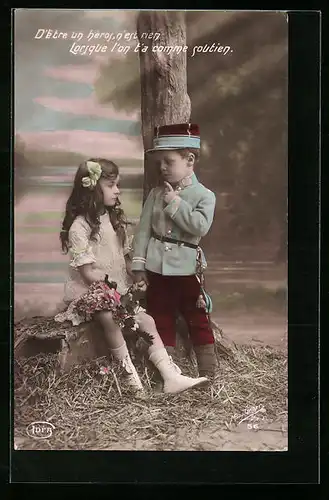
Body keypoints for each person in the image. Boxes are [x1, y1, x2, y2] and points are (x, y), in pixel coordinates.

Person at [54, 158, 208, 394]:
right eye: (111, 185)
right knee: (108, 314)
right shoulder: (79, 228)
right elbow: (88, 274)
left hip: (117, 292)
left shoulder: (113, 221)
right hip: (91, 293)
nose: (118, 191)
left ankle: (170, 376)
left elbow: (124, 259)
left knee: (147, 321)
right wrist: (116, 291)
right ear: (93, 190)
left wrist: (135, 279)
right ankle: (128, 377)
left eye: (118, 185)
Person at [131, 123, 218, 378]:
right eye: (160, 163)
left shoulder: (204, 196)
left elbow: (200, 226)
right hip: (157, 269)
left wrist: (175, 204)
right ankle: (167, 375)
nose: (162, 168)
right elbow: (144, 232)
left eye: (168, 161)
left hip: (188, 269)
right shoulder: (156, 194)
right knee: (160, 319)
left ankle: (208, 374)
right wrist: (139, 268)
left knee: (198, 319)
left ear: (189, 159)